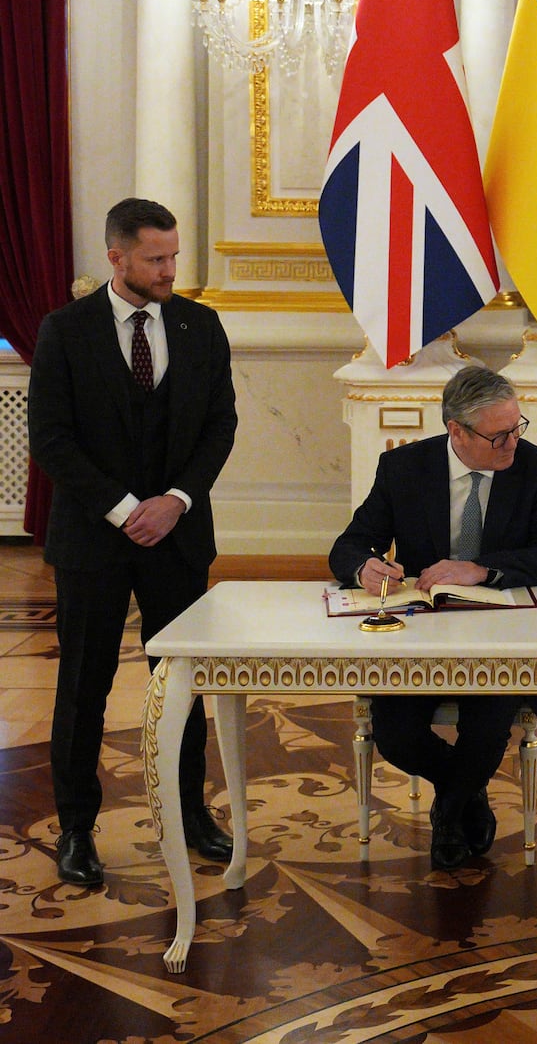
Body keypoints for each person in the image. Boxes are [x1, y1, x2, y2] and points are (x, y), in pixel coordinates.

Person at [28, 198, 239, 886]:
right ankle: (77, 828)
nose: (169, 269)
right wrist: (125, 510)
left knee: (182, 682)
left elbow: (221, 425)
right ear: (115, 256)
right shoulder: (64, 331)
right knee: (83, 688)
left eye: (174, 255)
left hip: (178, 539)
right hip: (93, 539)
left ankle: (191, 813)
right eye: (155, 258)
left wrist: (175, 502)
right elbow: (52, 440)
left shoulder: (201, 327)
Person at [328, 366, 537, 870]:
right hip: (419, 639)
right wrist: (364, 566)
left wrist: (481, 569)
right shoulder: (403, 468)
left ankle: (449, 816)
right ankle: (463, 793)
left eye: (517, 428)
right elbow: (349, 545)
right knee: (394, 733)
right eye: (498, 435)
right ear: (456, 431)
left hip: (503, 641)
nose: (512, 443)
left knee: (487, 726)